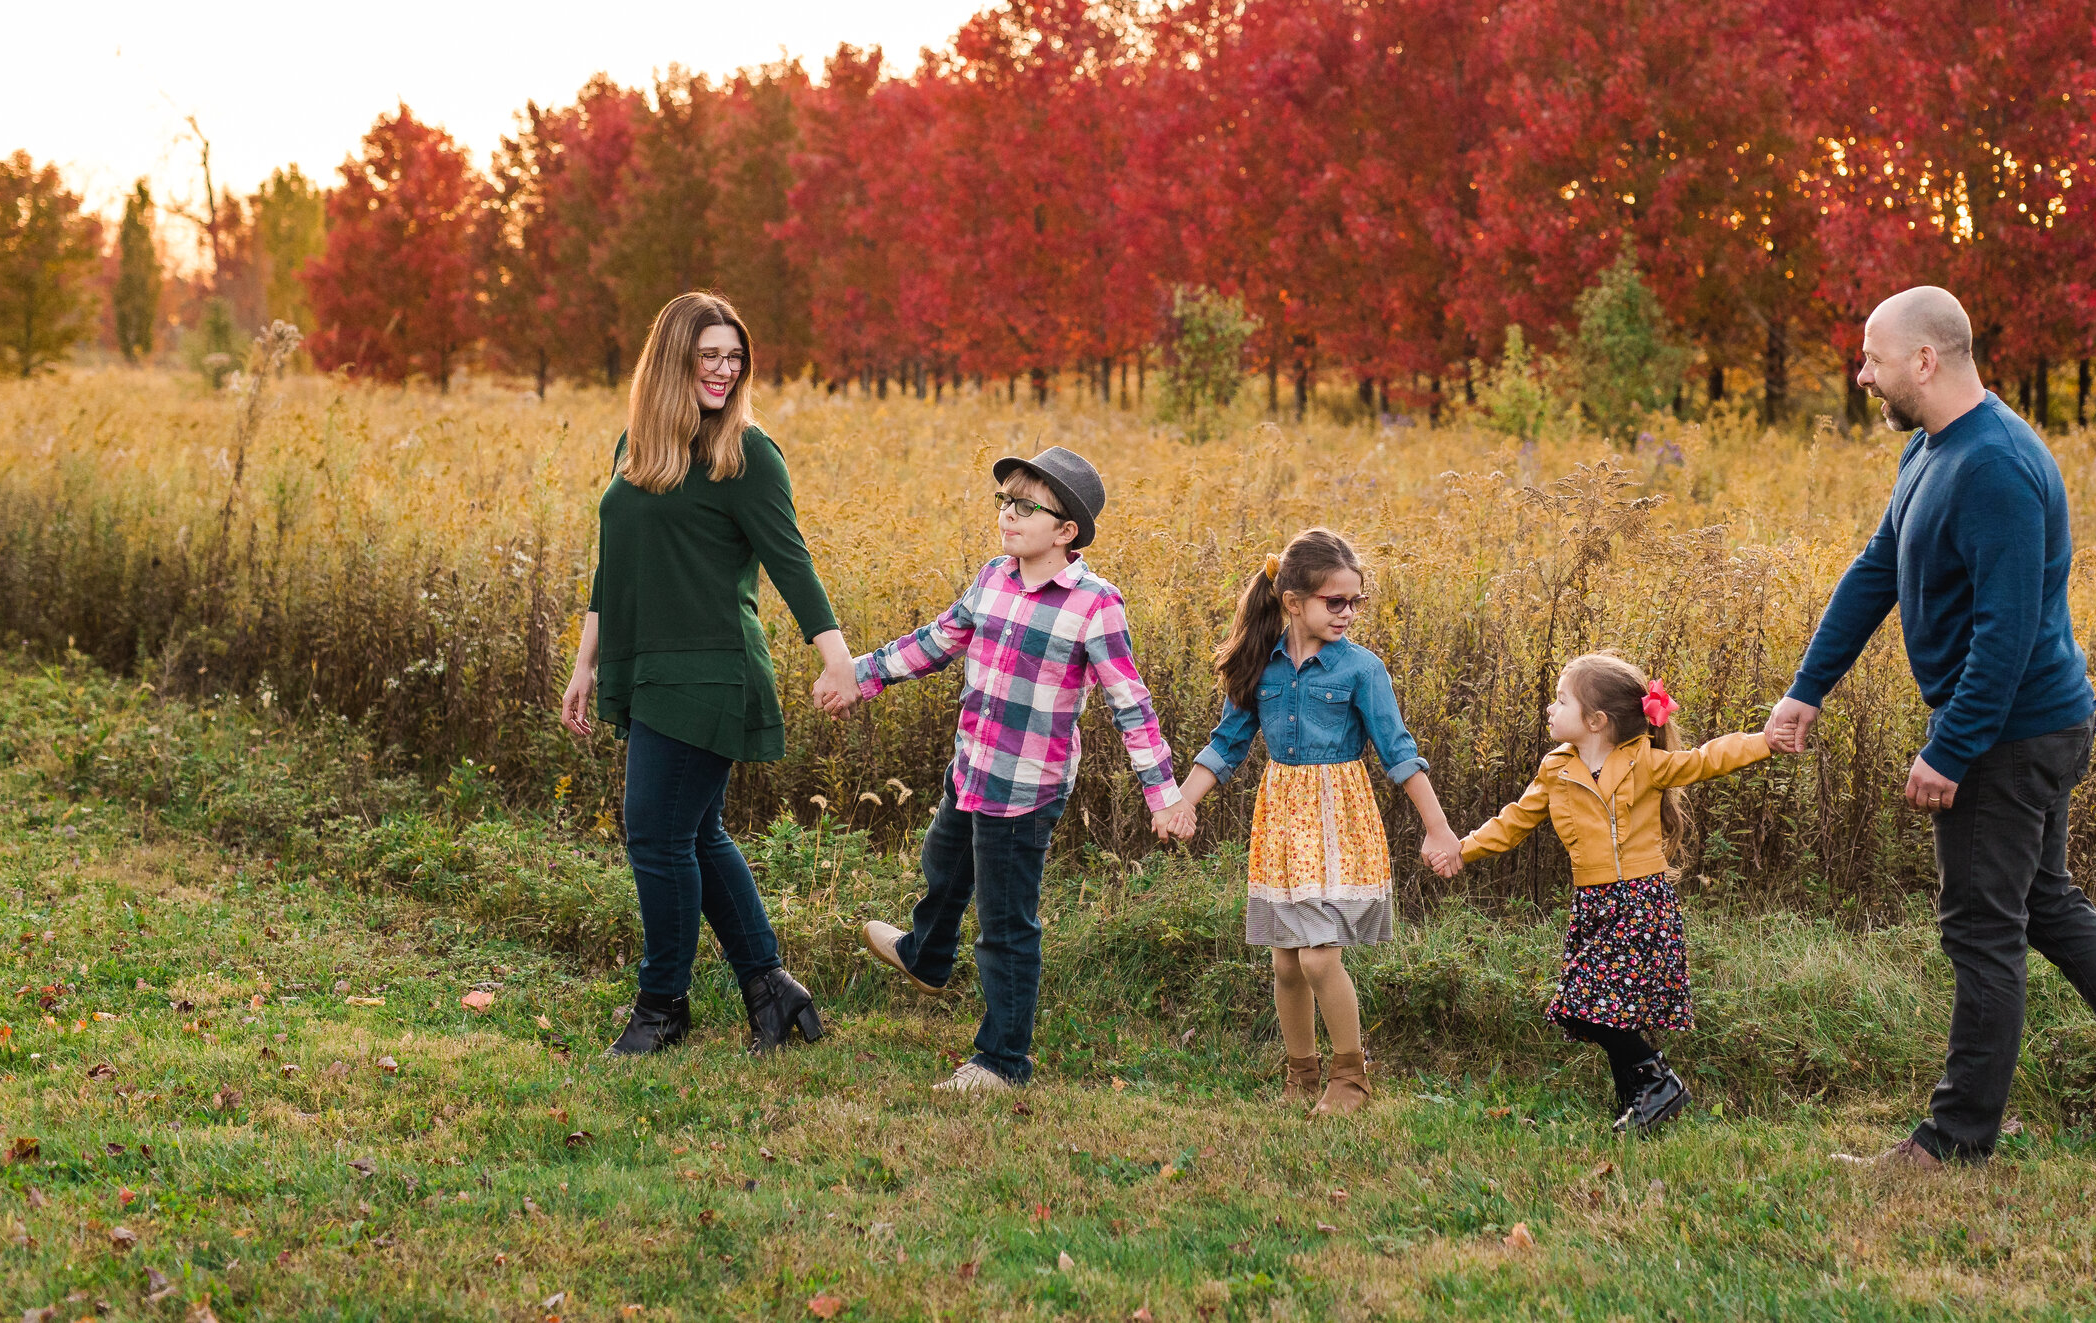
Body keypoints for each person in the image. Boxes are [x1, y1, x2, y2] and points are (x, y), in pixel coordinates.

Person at [1766, 285, 2096, 1170]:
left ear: (1925, 361)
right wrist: (1806, 687)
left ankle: (1953, 1141)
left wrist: (1951, 747)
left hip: (2013, 730)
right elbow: (1876, 571)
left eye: (1873, 358)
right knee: (2045, 905)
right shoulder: (1932, 450)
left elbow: (2006, 635)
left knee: (1981, 928)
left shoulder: (1998, 467)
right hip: (2017, 722)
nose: (1864, 375)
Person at [561, 292, 859, 1058]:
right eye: (710, 355)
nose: (725, 370)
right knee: (693, 834)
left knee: (657, 836)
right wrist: (585, 662)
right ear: (673, 360)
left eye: (735, 356)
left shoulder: (747, 452)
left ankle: (662, 1006)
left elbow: (791, 560)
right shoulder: (637, 446)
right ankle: (770, 987)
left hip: (712, 671)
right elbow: (615, 565)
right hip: (647, 666)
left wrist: (838, 659)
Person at [837, 446, 1190, 1092]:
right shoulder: (993, 578)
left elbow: (1129, 702)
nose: (1008, 514)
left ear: (1065, 531)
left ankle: (1002, 1058)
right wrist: (859, 676)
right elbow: (936, 640)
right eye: (1004, 501)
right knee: (944, 865)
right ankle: (926, 954)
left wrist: (1162, 794)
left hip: (1025, 790)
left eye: (1026, 505)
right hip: (971, 766)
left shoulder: (1094, 604)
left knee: (1005, 922)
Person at [1166, 528, 1462, 1117]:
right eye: (1336, 601)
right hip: (1280, 818)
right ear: (1293, 600)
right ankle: (1300, 1075)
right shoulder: (1261, 665)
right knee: (1285, 960)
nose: (1348, 613)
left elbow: (1399, 751)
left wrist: (1438, 827)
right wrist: (1184, 800)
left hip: (1338, 819)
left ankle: (1350, 1077)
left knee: (1320, 955)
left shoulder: (1361, 669)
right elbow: (1227, 744)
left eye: (1355, 602)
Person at [1452, 651, 1785, 1134]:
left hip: (1639, 900)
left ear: (1595, 720)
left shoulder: (1643, 763)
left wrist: (1766, 742)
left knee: (1592, 1003)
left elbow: (1708, 759)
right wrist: (1462, 851)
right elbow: (1515, 821)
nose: (1551, 707)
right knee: (1600, 1008)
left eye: (1561, 700)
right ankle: (1639, 1097)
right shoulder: (1556, 770)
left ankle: (1659, 1086)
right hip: (1593, 903)